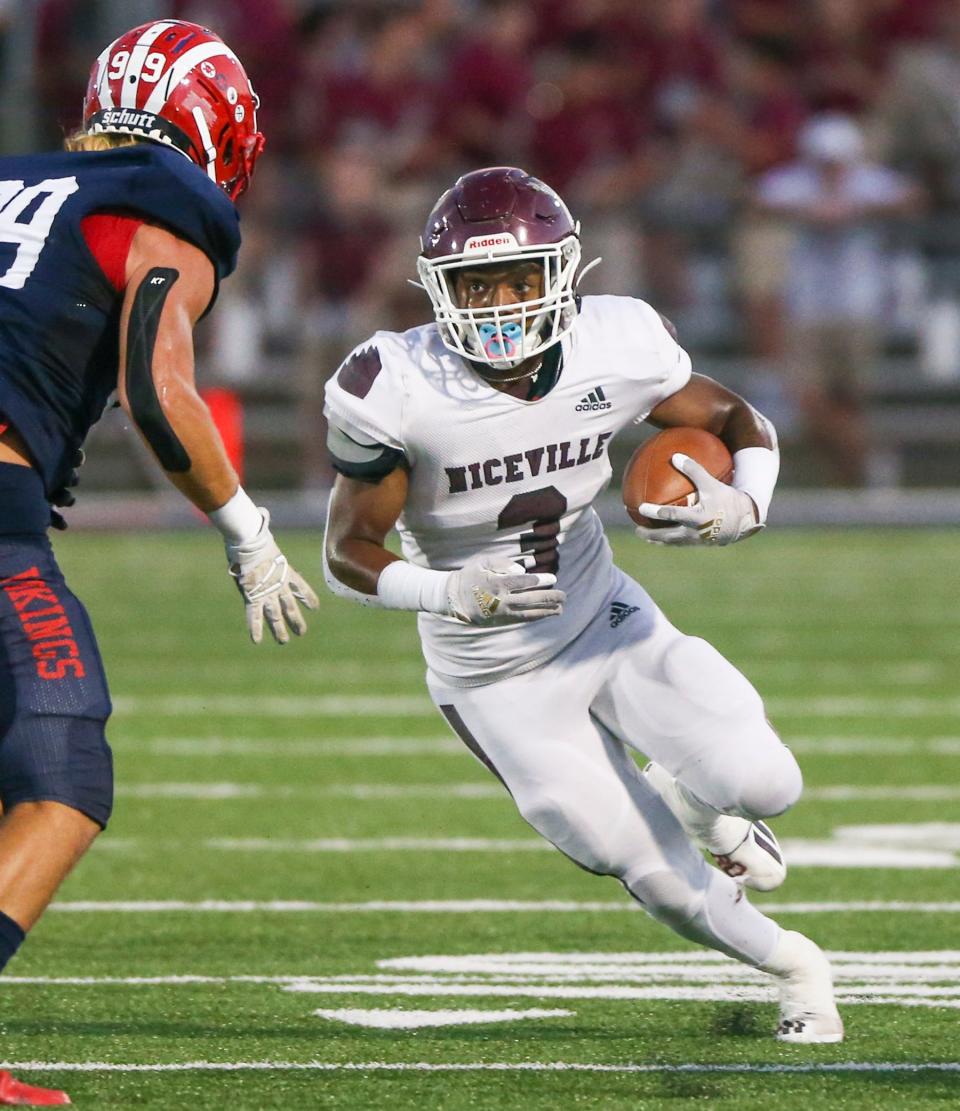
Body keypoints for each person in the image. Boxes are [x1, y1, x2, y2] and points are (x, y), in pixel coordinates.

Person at [323, 166, 843, 1043]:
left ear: (562, 274)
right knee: (632, 858)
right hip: (493, 674)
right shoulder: (395, 382)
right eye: (473, 284)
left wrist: (743, 504)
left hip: (604, 617)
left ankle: (703, 803)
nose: (497, 305)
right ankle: (799, 966)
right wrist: (449, 590)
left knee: (768, 780)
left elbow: (739, 421)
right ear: (436, 289)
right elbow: (345, 555)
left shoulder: (618, 341)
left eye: (518, 280)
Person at [0, 20, 318, 1105]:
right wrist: (248, 531)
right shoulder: (161, 202)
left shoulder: (15, 177)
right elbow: (153, 381)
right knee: (62, 769)